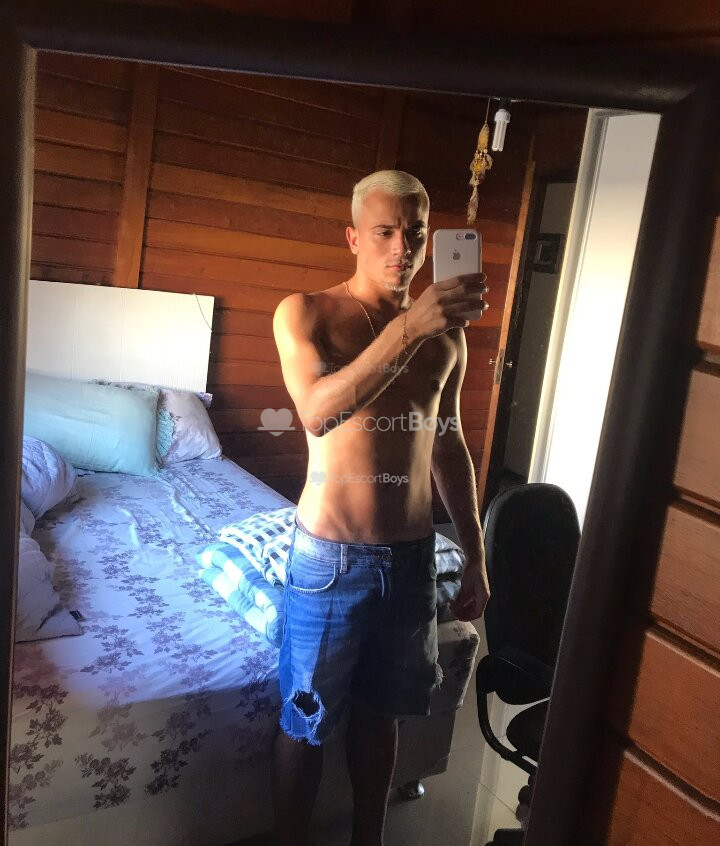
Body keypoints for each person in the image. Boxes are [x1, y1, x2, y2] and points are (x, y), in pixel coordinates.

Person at [271, 169, 491, 846]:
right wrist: (408, 327)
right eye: (385, 232)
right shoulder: (305, 313)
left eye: (415, 234)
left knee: (383, 713)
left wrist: (476, 556)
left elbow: (448, 446)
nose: (402, 248)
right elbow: (316, 412)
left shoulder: (448, 337)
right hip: (328, 560)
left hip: (413, 560)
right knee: (306, 722)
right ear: (353, 238)